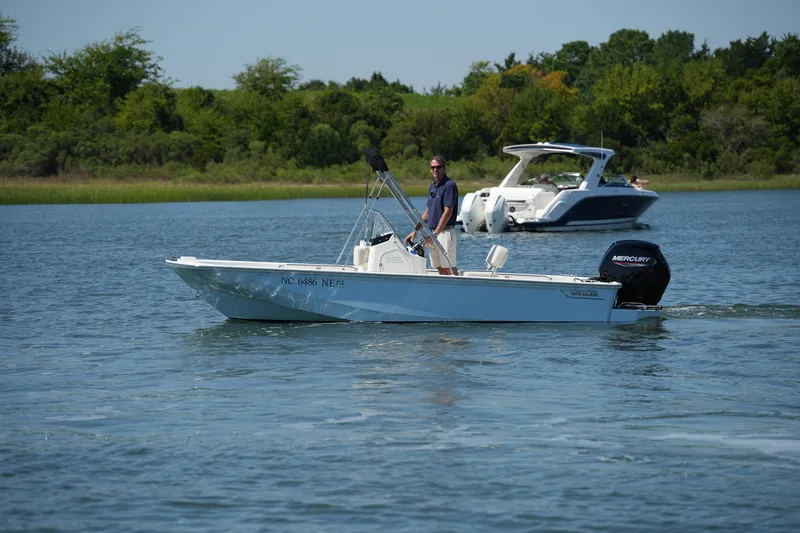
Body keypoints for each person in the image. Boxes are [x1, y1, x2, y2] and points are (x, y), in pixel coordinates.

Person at [404, 155, 459, 275]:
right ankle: (444, 292)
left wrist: (435, 235)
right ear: (430, 169)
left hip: (444, 232)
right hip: (433, 233)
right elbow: (428, 213)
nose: (435, 170)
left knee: (449, 267)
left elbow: (448, 212)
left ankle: (456, 291)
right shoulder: (432, 187)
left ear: (444, 168)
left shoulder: (450, 186)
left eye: (438, 167)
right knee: (438, 267)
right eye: (433, 167)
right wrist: (415, 232)